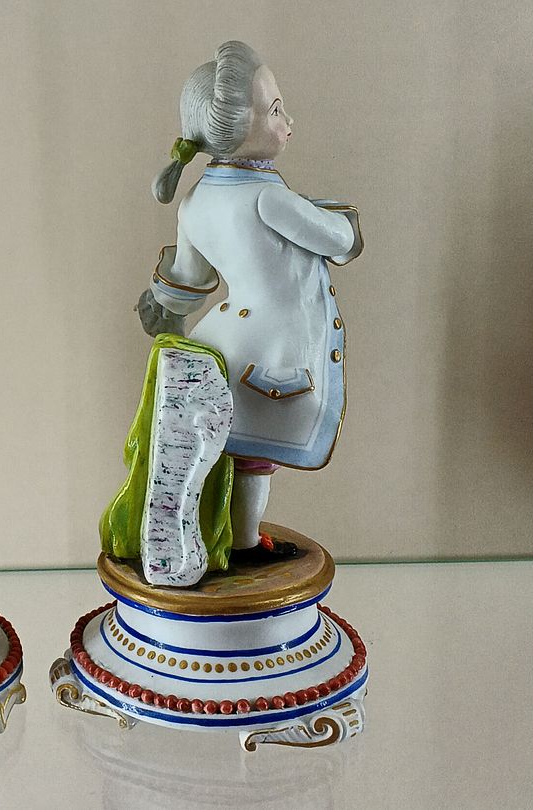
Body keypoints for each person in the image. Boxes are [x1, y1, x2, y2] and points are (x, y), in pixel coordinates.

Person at [137, 41, 363, 570]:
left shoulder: (196, 199)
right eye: (276, 110)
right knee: (255, 458)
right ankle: (242, 541)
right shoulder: (269, 197)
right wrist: (333, 217)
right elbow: (339, 240)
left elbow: (190, 279)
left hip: (221, 341)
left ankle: (220, 534)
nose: (289, 121)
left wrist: (159, 304)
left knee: (226, 453)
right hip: (272, 345)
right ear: (239, 127)